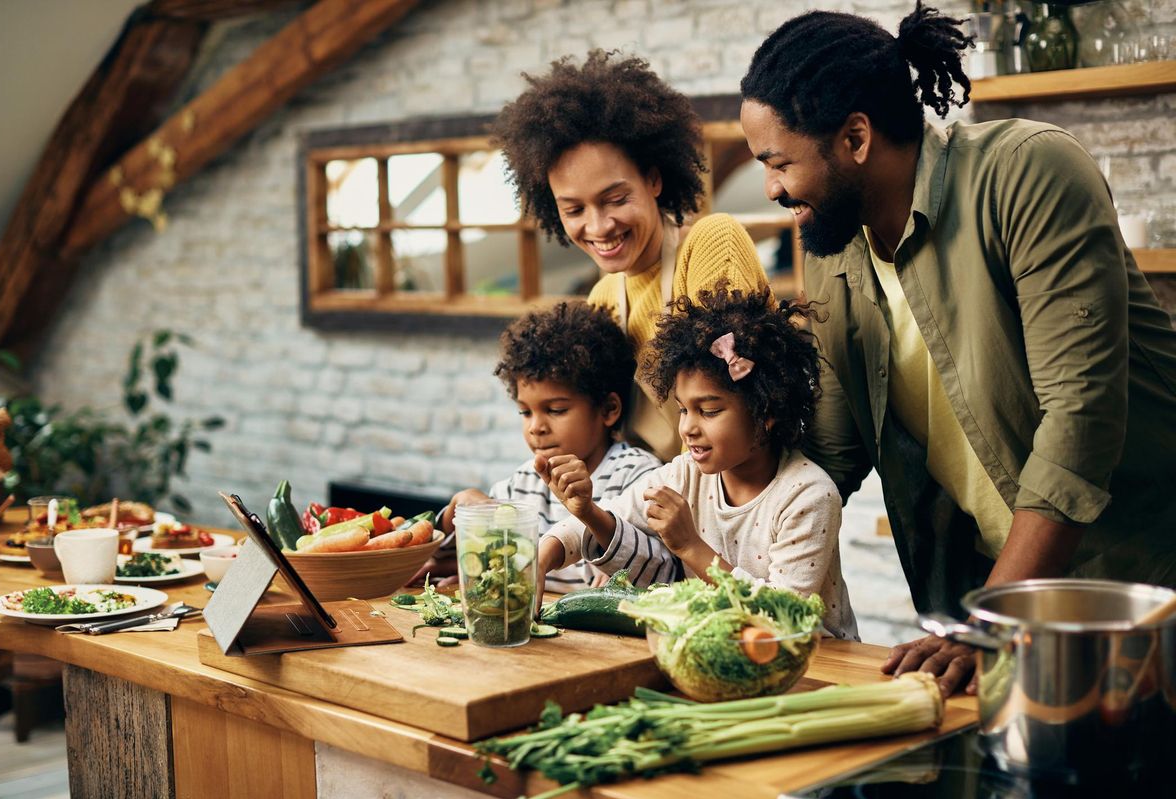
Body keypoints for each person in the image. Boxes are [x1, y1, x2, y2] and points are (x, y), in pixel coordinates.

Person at [739, 3, 1176, 694]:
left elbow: (1080, 420)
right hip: (997, 595)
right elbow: (832, 451)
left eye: (779, 162)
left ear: (855, 137)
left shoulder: (1026, 172)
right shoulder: (834, 245)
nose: (771, 187)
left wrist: (988, 624)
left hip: (1140, 582)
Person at [493, 50, 769, 462]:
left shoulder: (712, 242)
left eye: (616, 199)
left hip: (737, 504)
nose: (599, 226)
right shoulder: (604, 297)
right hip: (647, 508)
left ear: (654, 180)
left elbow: (732, 403)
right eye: (574, 210)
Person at [538, 286, 857, 639]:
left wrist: (691, 546)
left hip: (817, 661)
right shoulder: (685, 473)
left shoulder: (808, 495)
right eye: (683, 409)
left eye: (709, 411)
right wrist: (542, 556)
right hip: (724, 655)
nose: (688, 428)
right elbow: (610, 514)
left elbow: (783, 614)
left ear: (766, 411)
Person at [419, 301, 662, 593]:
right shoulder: (525, 482)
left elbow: (657, 566)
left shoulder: (637, 475)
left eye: (556, 410)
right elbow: (442, 559)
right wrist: (456, 511)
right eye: (525, 412)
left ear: (609, 409)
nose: (536, 426)